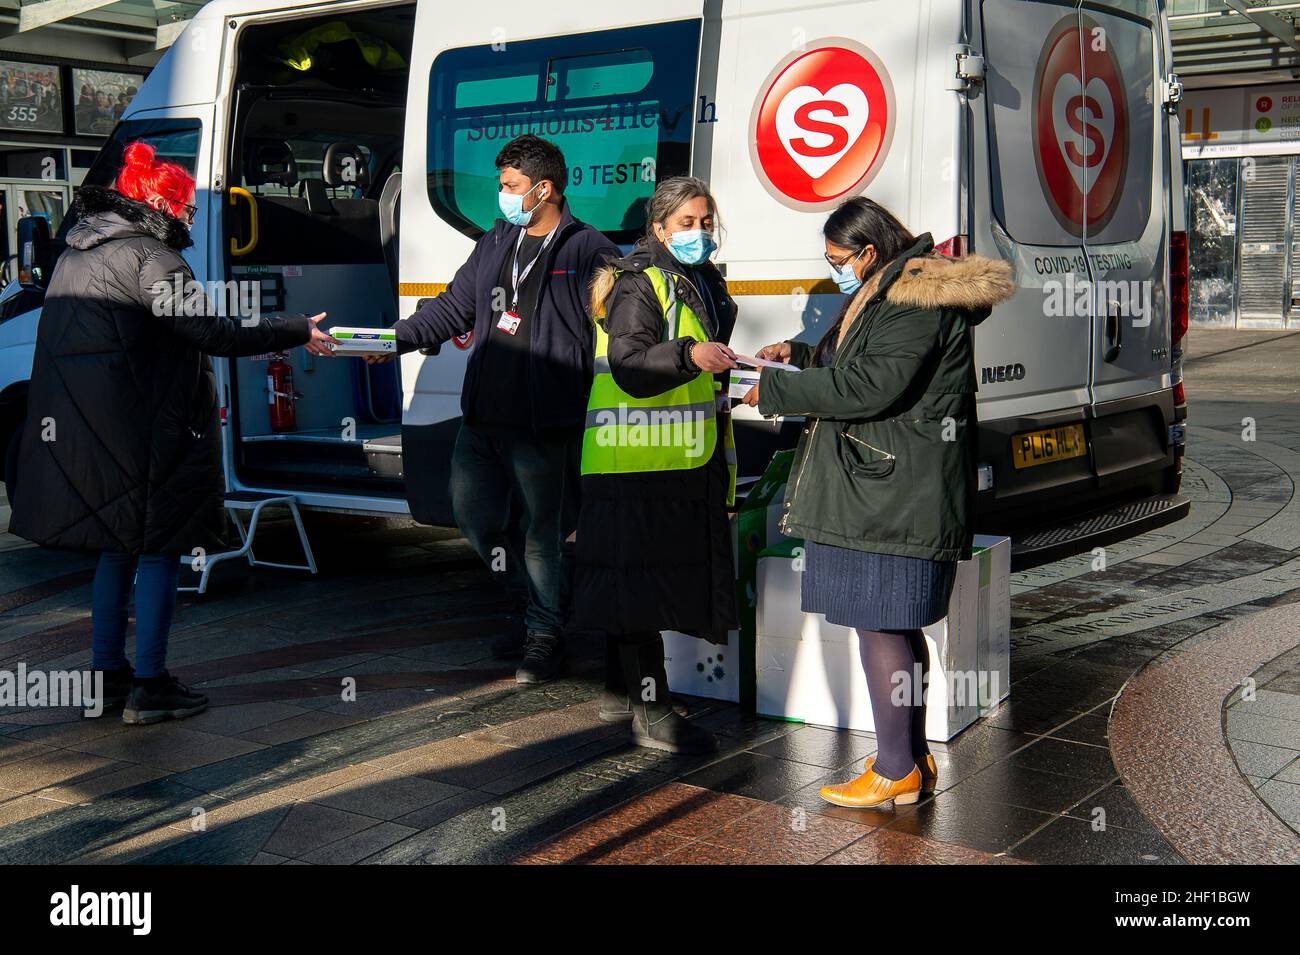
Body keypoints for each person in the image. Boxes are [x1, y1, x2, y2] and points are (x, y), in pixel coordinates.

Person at [9, 141, 333, 725]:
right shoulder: (151, 258)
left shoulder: (75, 254)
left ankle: (107, 677)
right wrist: (292, 329)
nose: (188, 220)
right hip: (146, 433)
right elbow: (211, 332)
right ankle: (151, 686)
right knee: (159, 552)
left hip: (91, 431)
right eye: (184, 209)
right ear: (161, 206)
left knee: (114, 551)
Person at [742, 197, 1013, 807]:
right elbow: (858, 361)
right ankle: (906, 760)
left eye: (839, 260)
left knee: (880, 623)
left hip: (891, 491)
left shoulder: (911, 299)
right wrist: (802, 354)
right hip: (885, 484)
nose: (834, 270)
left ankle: (896, 770)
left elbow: (870, 385)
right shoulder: (892, 288)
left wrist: (777, 388)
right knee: (887, 622)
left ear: (869, 251)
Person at [385, 134, 618, 683]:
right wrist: (390, 341)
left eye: (511, 187)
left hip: (545, 419)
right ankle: (542, 604)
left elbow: (619, 322)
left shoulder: (588, 248)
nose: (503, 196)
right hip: (483, 416)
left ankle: (543, 633)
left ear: (544, 189)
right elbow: (453, 306)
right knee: (474, 518)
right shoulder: (496, 241)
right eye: (501, 185)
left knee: (542, 532)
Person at [573, 176, 739, 754]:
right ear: (660, 227)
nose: (700, 232)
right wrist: (692, 356)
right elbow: (628, 362)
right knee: (641, 585)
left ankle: (622, 691)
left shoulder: (700, 279)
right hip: (633, 456)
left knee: (638, 579)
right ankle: (653, 711)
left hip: (675, 454)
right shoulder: (639, 282)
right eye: (687, 223)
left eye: (706, 220)